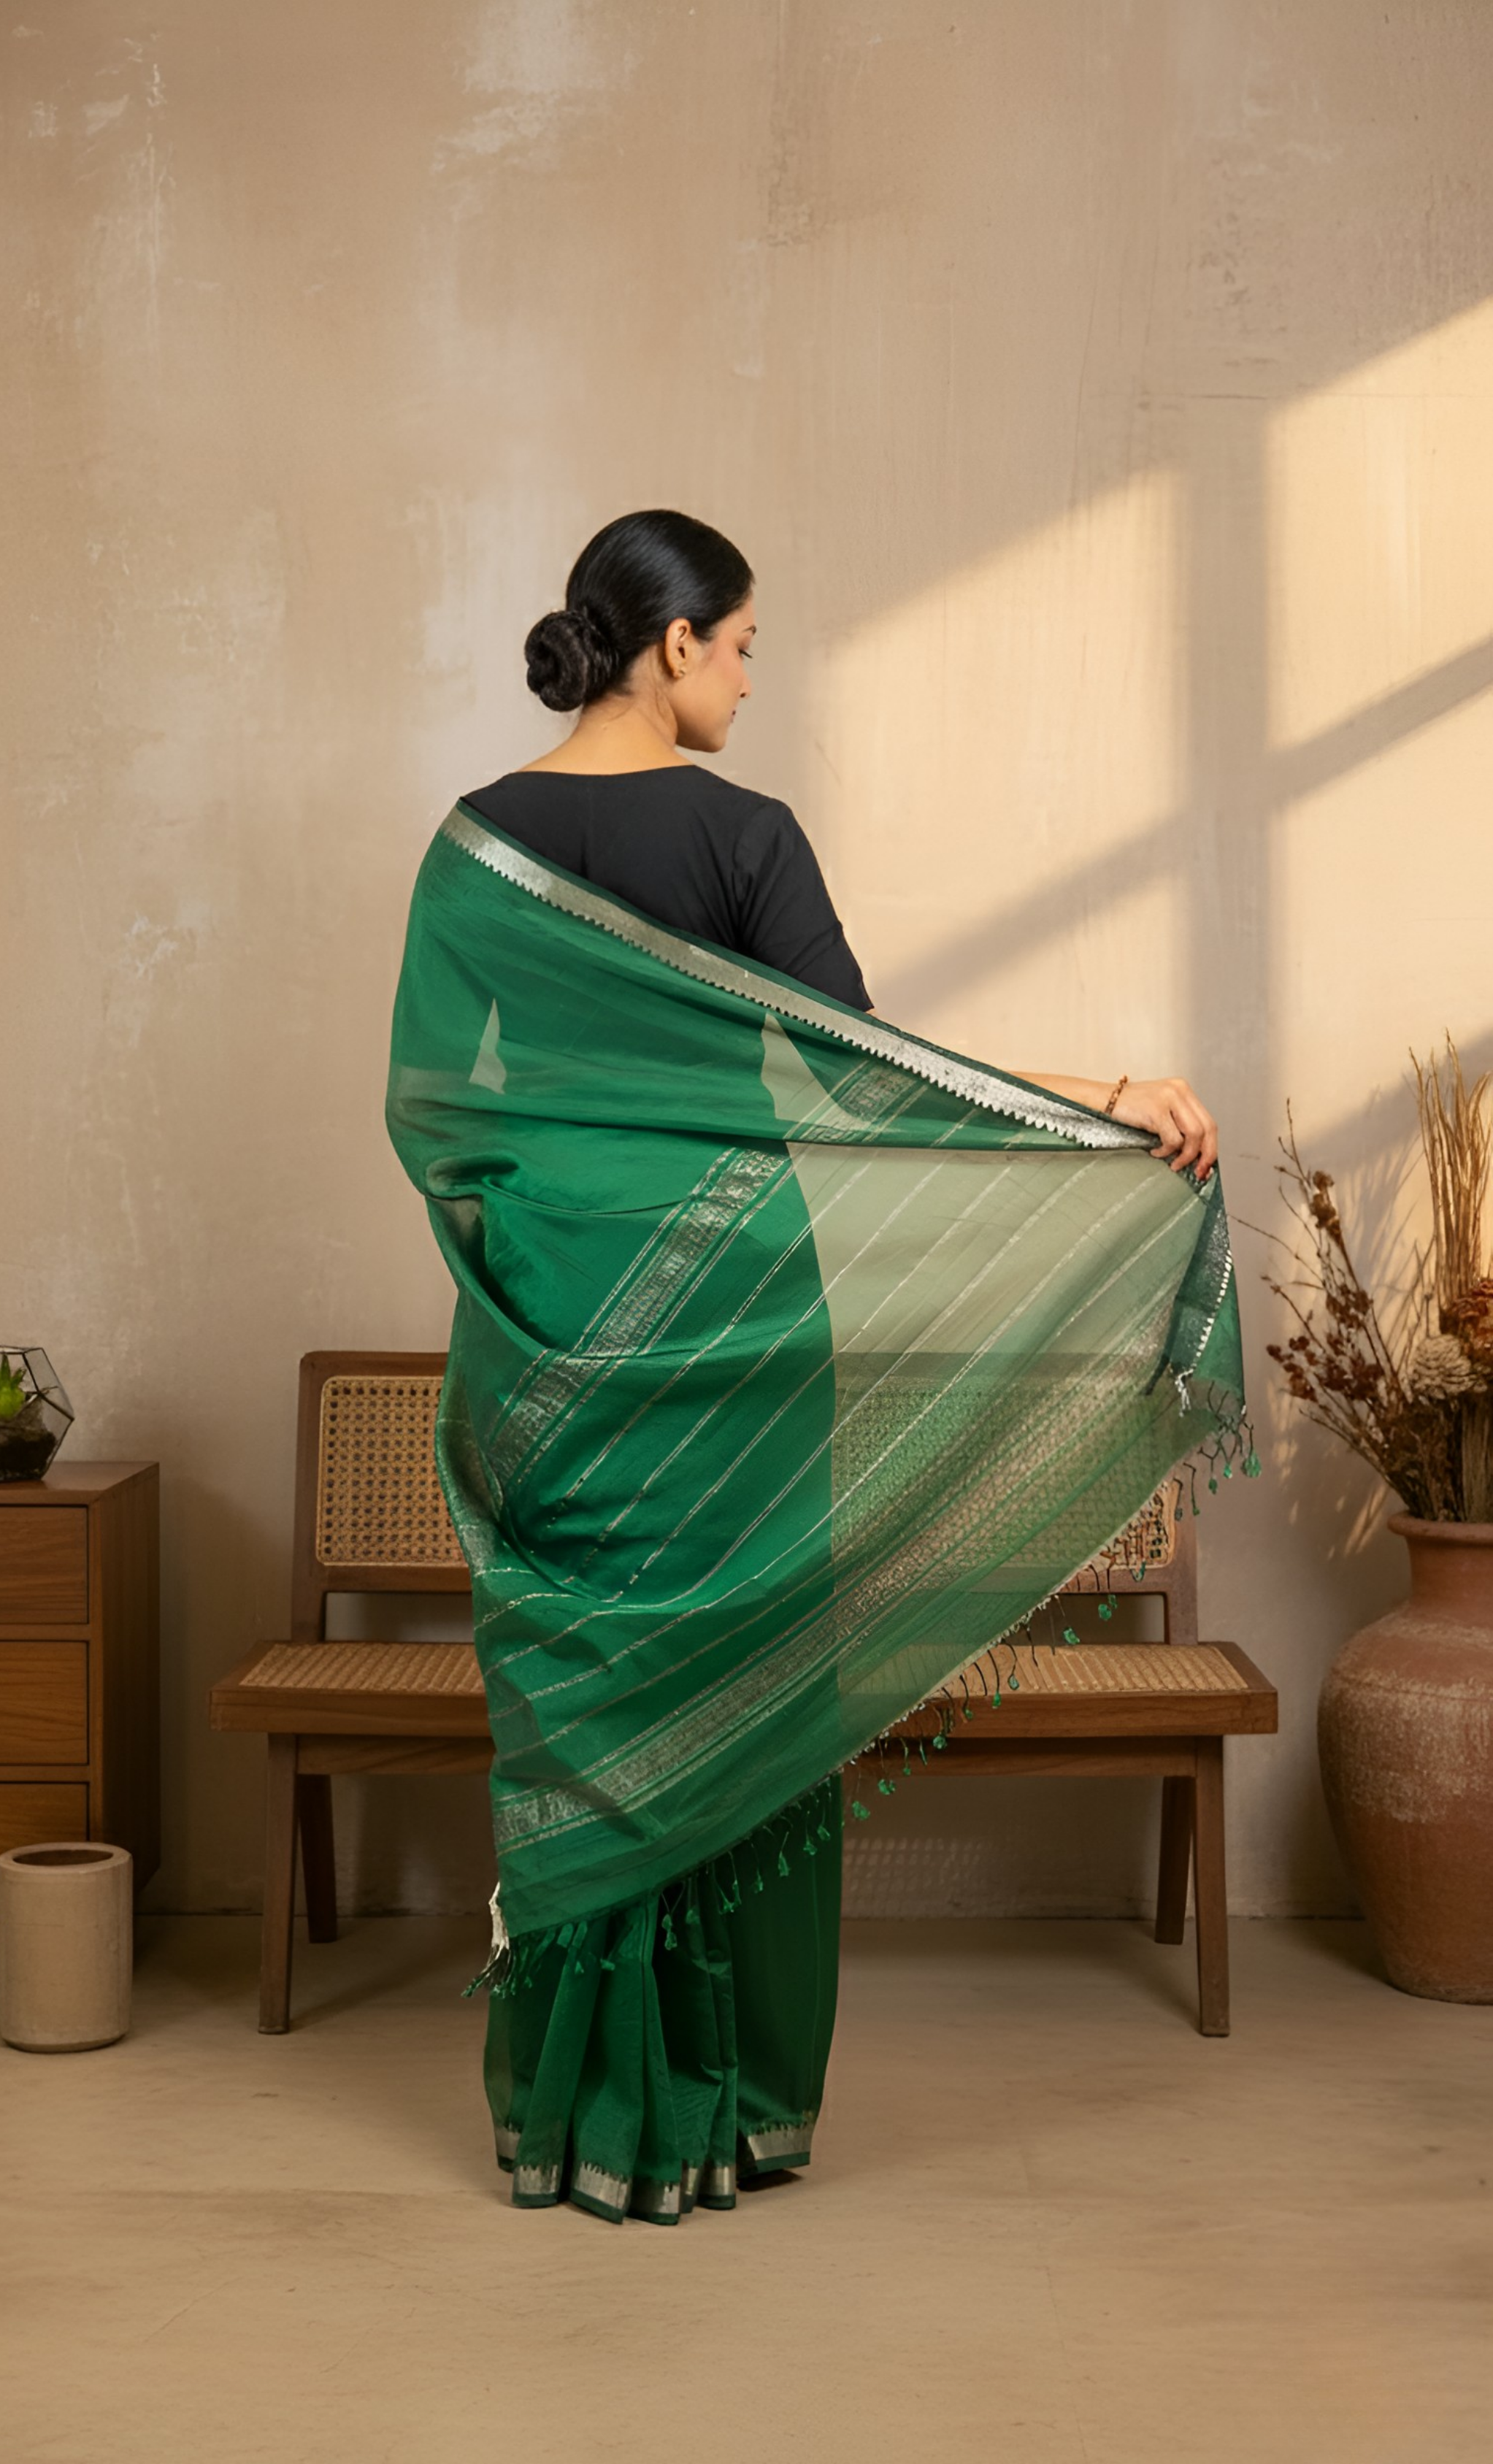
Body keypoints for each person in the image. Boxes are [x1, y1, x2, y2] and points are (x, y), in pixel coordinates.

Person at [385, 510, 1244, 2224]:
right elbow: (881, 1079)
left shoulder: (477, 845)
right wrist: (1106, 1102)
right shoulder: (742, 835)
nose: (750, 680)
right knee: (751, 1685)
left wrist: (526, 1247)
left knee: (589, 1716)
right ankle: (726, 2109)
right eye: (744, 647)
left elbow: (438, 1109)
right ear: (672, 644)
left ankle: (576, 2117)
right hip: (749, 1320)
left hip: (557, 1331)